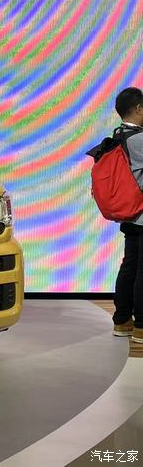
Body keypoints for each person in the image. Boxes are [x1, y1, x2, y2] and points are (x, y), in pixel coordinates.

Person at [112, 86, 143, 343]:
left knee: (130, 266)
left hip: (130, 215)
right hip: (142, 214)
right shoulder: (139, 139)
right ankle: (141, 326)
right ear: (139, 109)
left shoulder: (118, 136)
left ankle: (122, 320)